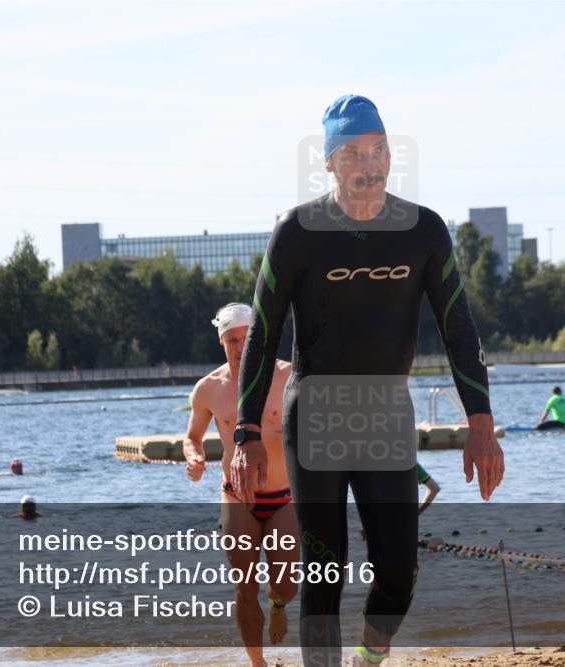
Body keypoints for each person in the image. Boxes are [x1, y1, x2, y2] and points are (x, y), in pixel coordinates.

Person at [230, 94, 505, 666]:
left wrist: (482, 423)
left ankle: (368, 657)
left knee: (400, 573)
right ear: (329, 161)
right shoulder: (298, 231)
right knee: (324, 576)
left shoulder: (423, 231)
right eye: (354, 152)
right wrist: (245, 432)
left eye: (378, 150)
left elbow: (458, 326)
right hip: (318, 419)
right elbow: (264, 334)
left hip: (386, 414)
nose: (369, 164)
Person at [183, 302, 299, 667]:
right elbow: (192, 436)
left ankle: (278, 604)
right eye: (231, 340)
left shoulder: (289, 377)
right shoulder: (208, 389)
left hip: (284, 497)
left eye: (246, 339)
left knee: (286, 584)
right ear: (221, 342)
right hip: (235, 495)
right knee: (244, 587)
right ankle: (257, 663)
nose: (239, 347)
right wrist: (194, 456)